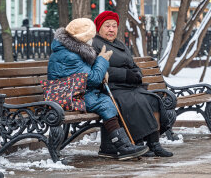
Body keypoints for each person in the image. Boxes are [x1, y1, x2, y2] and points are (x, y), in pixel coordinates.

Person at [47, 18, 148, 160]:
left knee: (107, 102)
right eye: (91, 36)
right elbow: (93, 78)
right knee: (103, 103)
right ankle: (121, 146)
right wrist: (102, 60)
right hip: (67, 95)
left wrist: (102, 70)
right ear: (82, 37)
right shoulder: (69, 55)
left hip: (78, 91)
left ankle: (116, 146)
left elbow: (88, 77)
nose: (93, 39)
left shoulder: (74, 50)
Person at [92, 11, 173, 157]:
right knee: (134, 101)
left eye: (114, 26)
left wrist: (136, 74)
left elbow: (132, 64)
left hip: (128, 87)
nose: (111, 29)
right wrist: (125, 75)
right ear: (99, 28)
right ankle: (136, 142)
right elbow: (99, 68)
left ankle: (154, 143)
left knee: (153, 99)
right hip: (110, 89)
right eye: (107, 26)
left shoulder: (120, 44)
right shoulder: (95, 44)